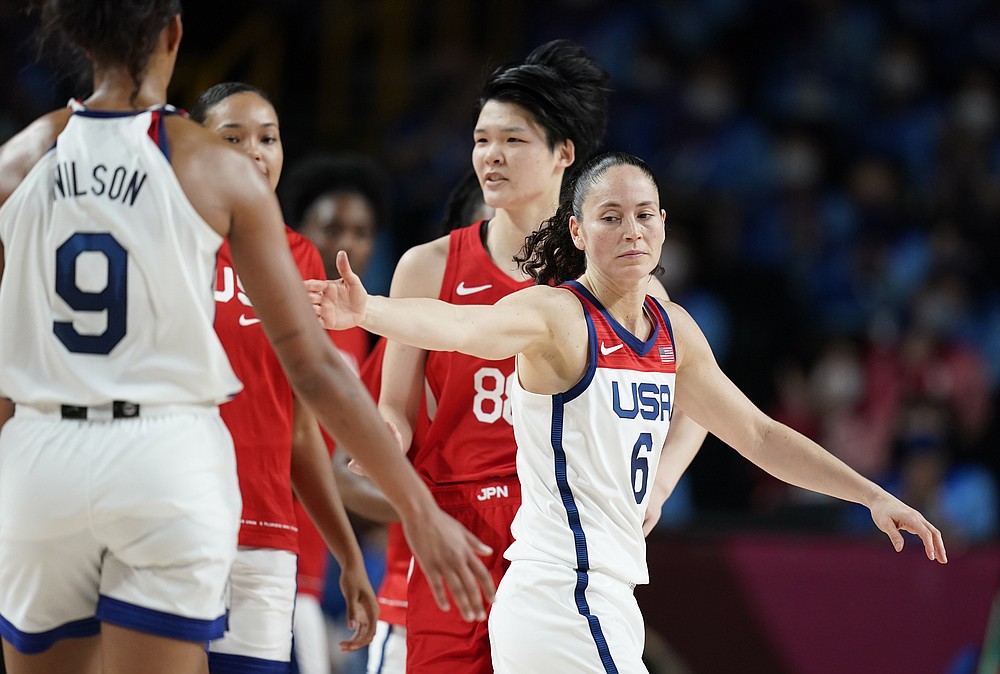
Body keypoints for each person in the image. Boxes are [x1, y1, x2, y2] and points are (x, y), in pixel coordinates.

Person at [308, 151, 948, 673]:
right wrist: (367, 312)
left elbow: (756, 432)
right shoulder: (559, 315)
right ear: (578, 232)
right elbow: (460, 326)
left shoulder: (673, 330)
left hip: (605, 596)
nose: (631, 229)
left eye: (644, 214)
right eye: (610, 217)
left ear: (664, 225)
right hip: (562, 596)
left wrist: (870, 496)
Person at [0, 4, 493, 674]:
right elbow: (317, 368)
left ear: (78, 39)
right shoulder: (212, 168)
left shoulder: (20, 158)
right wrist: (417, 509)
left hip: (41, 458)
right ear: (174, 33)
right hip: (160, 456)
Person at [350, 39, 707, 674]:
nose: (491, 155)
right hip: (456, 524)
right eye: (481, 139)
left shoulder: (618, 274)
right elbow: (394, 413)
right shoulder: (427, 265)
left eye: (513, 140)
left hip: (560, 530)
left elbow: (699, 398)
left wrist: (660, 482)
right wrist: (379, 439)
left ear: (563, 154)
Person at [189, 82, 377, 672]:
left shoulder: (302, 263)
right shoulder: (173, 241)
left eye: (268, 137)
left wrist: (348, 554)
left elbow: (301, 433)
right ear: (196, 149)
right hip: (175, 523)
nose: (255, 151)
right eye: (233, 137)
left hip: (269, 539)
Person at [280, 151, 392, 674]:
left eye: (362, 230)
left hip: (321, 549)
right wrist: (423, 512)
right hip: (273, 538)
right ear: (298, 231)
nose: (347, 243)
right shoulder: (278, 312)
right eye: (331, 227)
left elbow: (345, 459)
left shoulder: (362, 335)